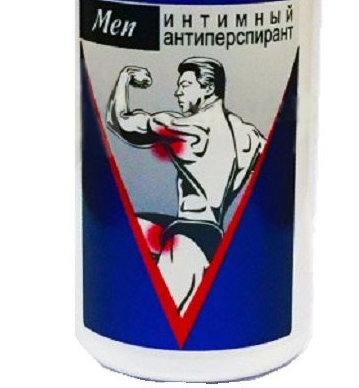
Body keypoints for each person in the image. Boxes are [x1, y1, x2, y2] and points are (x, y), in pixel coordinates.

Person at [106, 57, 265, 314]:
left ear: (208, 88)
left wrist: (125, 76)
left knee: (161, 319)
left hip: (187, 240)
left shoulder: (187, 128)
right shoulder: (249, 136)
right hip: (210, 234)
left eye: (186, 85)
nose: (178, 92)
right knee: (130, 227)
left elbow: (119, 120)